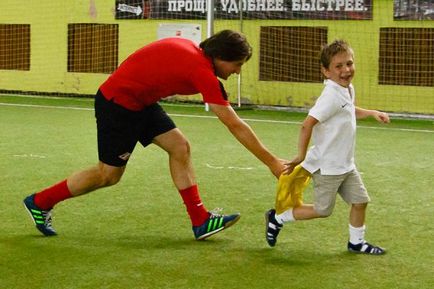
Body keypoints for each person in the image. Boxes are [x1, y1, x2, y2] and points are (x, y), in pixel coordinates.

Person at [24, 30, 285, 240]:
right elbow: (234, 124)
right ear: (220, 56)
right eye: (236, 64)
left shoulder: (194, 53)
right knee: (108, 175)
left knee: (180, 147)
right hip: (118, 104)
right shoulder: (201, 70)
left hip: (141, 101)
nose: (237, 71)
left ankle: (200, 221)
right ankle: (39, 202)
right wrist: (272, 162)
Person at [265, 40, 390, 255]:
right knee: (323, 210)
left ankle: (356, 243)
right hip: (327, 167)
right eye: (338, 66)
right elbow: (307, 124)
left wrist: (370, 113)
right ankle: (276, 218)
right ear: (326, 71)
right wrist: (301, 155)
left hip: (346, 165)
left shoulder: (347, 89)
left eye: (349, 63)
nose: (346, 70)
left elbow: (348, 110)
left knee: (360, 201)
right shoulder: (330, 96)